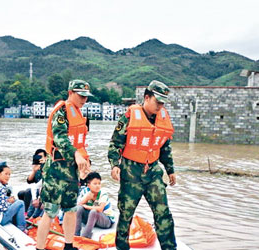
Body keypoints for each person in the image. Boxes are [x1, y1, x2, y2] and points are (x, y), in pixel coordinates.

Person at [108, 80, 177, 250]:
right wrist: (114, 165)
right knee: (126, 214)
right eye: (157, 102)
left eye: (163, 103)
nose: (160, 106)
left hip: (153, 172)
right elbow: (115, 143)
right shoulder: (130, 116)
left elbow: (164, 147)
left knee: (163, 213)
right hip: (131, 171)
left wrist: (170, 170)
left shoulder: (162, 118)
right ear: (147, 97)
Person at [36, 79, 93, 250]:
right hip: (56, 169)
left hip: (72, 170)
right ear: (70, 93)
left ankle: (68, 246)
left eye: (86, 97)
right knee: (50, 211)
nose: (84, 100)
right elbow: (60, 138)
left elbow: (80, 143)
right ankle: (39, 248)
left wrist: (84, 161)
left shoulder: (81, 115)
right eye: (80, 96)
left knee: (71, 209)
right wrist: (76, 154)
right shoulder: (61, 111)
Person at [75, 172, 114, 239]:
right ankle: (76, 233)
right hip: (91, 218)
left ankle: (85, 236)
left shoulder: (103, 194)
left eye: (99, 183)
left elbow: (100, 209)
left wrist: (87, 206)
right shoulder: (85, 192)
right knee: (79, 208)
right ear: (89, 185)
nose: (97, 186)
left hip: (105, 221)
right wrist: (87, 198)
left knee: (94, 212)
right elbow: (78, 205)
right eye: (95, 184)